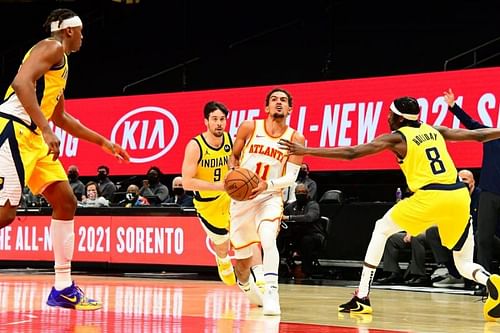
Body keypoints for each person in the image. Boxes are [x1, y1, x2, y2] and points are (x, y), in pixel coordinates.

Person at [280, 95, 500, 321]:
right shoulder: (435, 130)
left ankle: (362, 297)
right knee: (464, 263)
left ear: (399, 117)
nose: (387, 117)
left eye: (389, 113)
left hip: (431, 195)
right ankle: (490, 280)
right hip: (458, 196)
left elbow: (352, 153)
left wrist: (306, 150)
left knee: (381, 228)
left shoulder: (397, 139)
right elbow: (479, 135)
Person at [0, 8, 129, 310]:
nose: (84, 36)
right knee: (5, 214)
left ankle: (63, 288)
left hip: (33, 137)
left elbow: (61, 116)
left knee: (66, 201)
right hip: (15, 131)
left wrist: (103, 142)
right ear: (69, 31)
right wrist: (45, 130)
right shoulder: (52, 46)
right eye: (81, 31)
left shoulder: (62, 64)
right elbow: (21, 83)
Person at [229, 88, 305, 315]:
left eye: (283, 100)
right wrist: (233, 171)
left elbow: (291, 178)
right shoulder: (249, 127)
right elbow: (234, 155)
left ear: (290, 108)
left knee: (268, 239)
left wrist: (267, 185)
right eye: (274, 100)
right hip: (242, 200)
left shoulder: (295, 138)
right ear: (266, 107)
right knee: (242, 267)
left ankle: (272, 293)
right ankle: (249, 290)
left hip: (269, 196)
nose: (278, 103)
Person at [444, 89, 500, 276]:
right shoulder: (492, 136)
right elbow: (471, 124)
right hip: (489, 194)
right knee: (483, 238)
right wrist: (453, 107)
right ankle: (484, 280)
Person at [280, 183, 326, 279]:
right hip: (296, 235)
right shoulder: (291, 207)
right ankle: (279, 269)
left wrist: (289, 217)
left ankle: (306, 272)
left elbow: (309, 217)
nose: (300, 194)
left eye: (303, 192)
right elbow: (281, 215)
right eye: (298, 192)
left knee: (306, 240)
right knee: (280, 238)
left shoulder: (313, 205)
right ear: (295, 194)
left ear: (307, 193)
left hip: (314, 235)